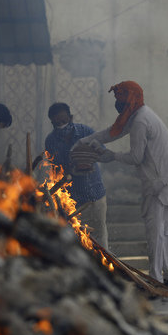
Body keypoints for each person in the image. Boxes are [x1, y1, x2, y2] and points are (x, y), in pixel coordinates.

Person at [74, 80, 168, 284]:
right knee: (166, 229)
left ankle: (155, 278)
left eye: (121, 99)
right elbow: (112, 131)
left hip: (160, 181)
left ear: (132, 99)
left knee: (155, 231)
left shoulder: (140, 121)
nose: (118, 103)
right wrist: (85, 141)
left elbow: (136, 157)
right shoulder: (138, 114)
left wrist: (112, 156)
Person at [44, 103, 108, 248]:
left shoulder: (86, 132)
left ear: (71, 118)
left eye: (64, 121)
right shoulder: (51, 140)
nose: (61, 126)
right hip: (73, 199)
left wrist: (88, 157)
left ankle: (104, 267)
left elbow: (102, 152)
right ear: (52, 123)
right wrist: (70, 169)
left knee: (99, 235)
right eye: (56, 123)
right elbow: (55, 171)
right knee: (79, 238)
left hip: (95, 194)